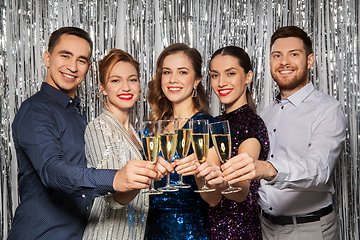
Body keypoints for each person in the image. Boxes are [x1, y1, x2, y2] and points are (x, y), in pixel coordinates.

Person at [8, 27, 166, 240]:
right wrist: (115, 179)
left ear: (88, 68)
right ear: (47, 58)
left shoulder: (78, 117)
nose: (72, 66)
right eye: (65, 56)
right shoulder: (35, 110)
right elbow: (51, 170)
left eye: (81, 60)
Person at [221, 26, 346, 240]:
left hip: (309, 228)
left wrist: (267, 169)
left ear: (310, 61)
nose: (284, 62)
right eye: (277, 55)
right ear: (270, 62)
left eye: (294, 54)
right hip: (264, 226)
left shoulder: (327, 109)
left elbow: (319, 168)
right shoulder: (265, 114)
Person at [146, 43, 221, 239]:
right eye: (167, 72)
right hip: (147, 230)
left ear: (196, 80)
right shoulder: (152, 127)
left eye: (182, 72)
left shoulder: (206, 126)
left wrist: (200, 171)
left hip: (186, 233)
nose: (173, 79)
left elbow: (212, 199)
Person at [82, 49, 151, 239]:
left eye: (132, 79)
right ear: (103, 88)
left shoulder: (136, 134)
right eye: (115, 80)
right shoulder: (99, 127)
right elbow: (112, 197)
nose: (126, 87)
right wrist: (147, 176)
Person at [202, 46, 269, 239]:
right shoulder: (215, 123)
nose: (221, 82)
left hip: (240, 233)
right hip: (209, 231)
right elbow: (212, 199)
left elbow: (242, 189)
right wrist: (201, 171)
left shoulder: (251, 123)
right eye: (215, 75)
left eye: (230, 73)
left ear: (248, 77)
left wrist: (222, 180)